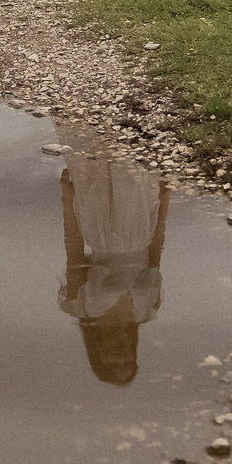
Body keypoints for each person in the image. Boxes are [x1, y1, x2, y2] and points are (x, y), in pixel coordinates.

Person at [58, 153, 170, 385]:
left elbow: (74, 250)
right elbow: (156, 251)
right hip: (141, 219)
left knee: (96, 155)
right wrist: (164, 202)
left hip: (100, 219)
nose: (122, 357)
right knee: (133, 153)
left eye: (113, 364)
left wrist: (67, 200)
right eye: (128, 362)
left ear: (98, 356)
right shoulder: (147, 311)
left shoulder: (83, 307)